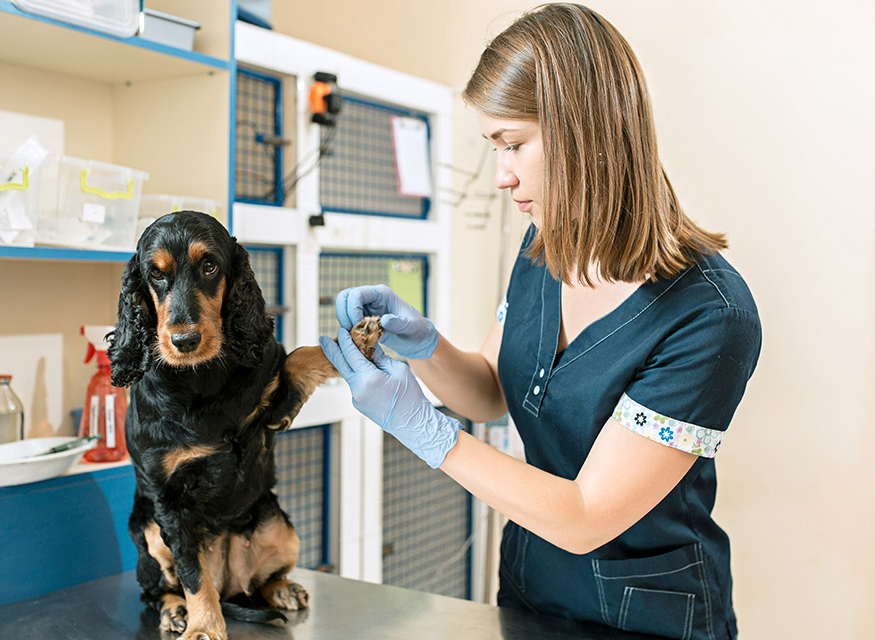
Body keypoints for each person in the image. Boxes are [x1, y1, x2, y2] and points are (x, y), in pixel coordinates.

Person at [319, 4, 761, 639]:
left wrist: (423, 429)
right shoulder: (544, 253)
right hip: (530, 591)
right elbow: (491, 392)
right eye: (494, 148)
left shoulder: (710, 315)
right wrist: (425, 347)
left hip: (646, 615)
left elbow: (585, 516)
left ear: (586, 132)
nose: (502, 176)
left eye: (514, 144)